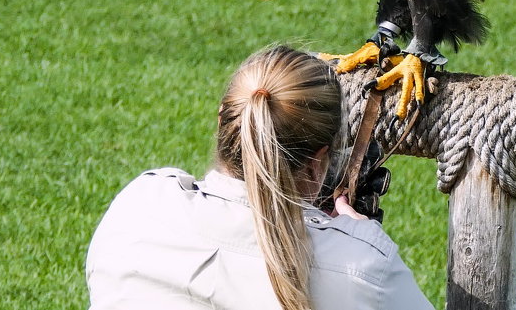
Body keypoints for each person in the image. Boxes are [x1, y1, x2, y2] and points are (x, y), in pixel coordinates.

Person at [86, 45, 435, 310]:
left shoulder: (138, 206)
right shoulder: (364, 267)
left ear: (224, 119)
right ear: (317, 165)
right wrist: (357, 239)